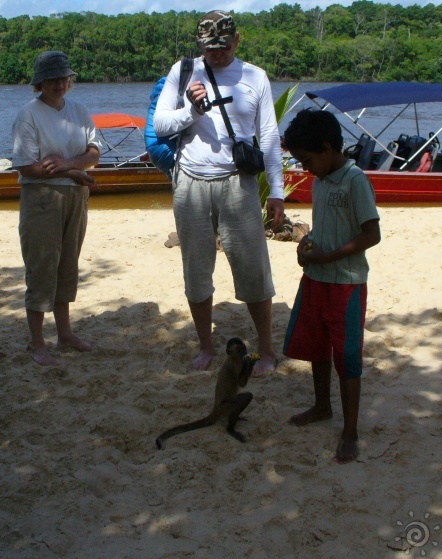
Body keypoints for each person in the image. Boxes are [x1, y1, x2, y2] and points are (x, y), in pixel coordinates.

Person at [152, 10, 285, 376]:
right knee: (196, 269)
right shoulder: (182, 71)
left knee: (253, 269)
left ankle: (268, 351)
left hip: (237, 184)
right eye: (210, 48)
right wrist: (191, 110)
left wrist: (277, 190)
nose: (217, 54)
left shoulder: (255, 76)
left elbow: (269, 136)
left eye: (224, 46)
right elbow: (161, 124)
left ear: (237, 40)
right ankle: (206, 347)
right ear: (200, 45)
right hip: (190, 183)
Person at [281, 109, 381, 464]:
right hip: (316, 280)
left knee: (348, 356)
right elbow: (322, 230)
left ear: (326, 148)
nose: (307, 169)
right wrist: (306, 249)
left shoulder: (355, 181)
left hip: (347, 284)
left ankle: (350, 430)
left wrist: (329, 256)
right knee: (318, 347)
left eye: (308, 160)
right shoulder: (321, 181)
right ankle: (322, 406)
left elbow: (372, 234)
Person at [12, 51, 101, 366]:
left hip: (76, 196)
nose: (60, 83)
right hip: (41, 198)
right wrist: (72, 172)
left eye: (64, 77)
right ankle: (37, 343)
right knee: (41, 268)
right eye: (52, 78)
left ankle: (65, 334)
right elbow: (27, 166)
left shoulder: (78, 110)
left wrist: (68, 166)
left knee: (67, 266)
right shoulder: (29, 114)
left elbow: (94, 153)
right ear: (40, 82)